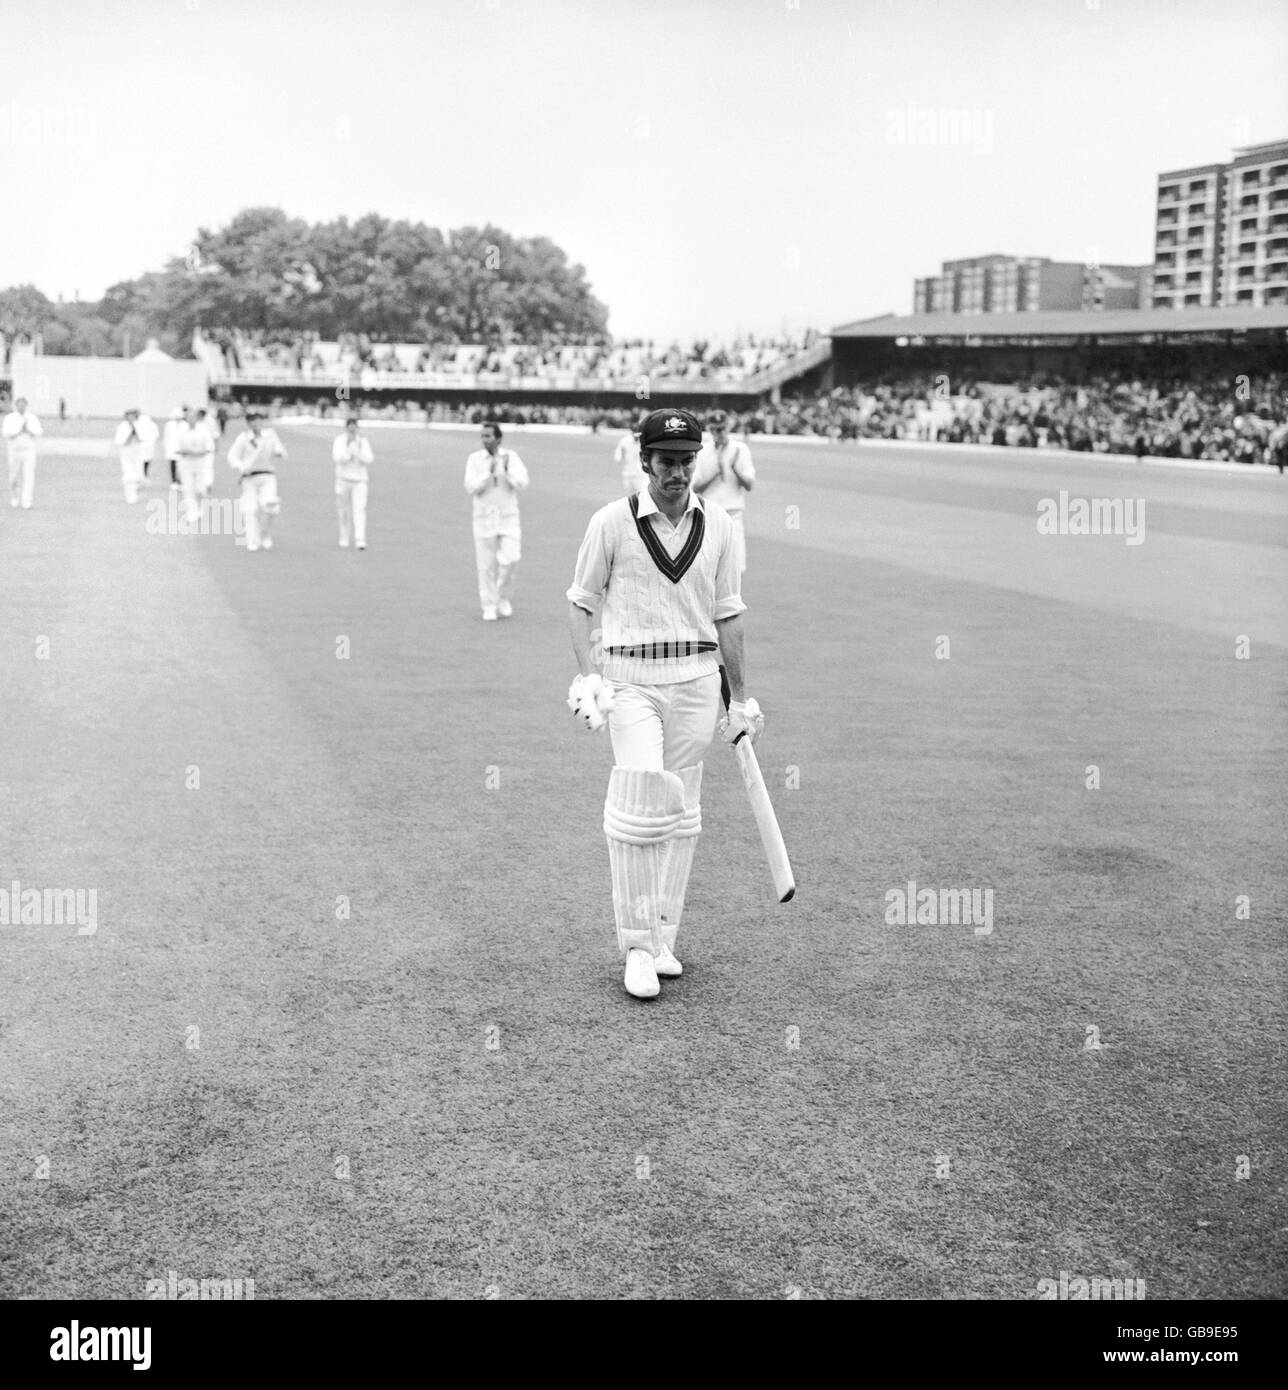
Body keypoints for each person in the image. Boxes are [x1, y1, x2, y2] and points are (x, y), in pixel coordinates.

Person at [565, 406, 763, 1001]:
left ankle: (662, 937)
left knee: (679, 809)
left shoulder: (722, 527)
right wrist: (589, 677)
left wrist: (741, 698)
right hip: (630, 680)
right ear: (644, 460)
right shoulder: (612, 522)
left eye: (685, 462)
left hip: (699, 680)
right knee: (639, 798)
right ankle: (635, 948)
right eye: (665, 462)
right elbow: (581, 601)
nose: (676, 473)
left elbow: (728, 615)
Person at [464, 421, 528, 620]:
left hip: (508, 517)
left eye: (488, 436)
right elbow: (470, 487)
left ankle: (502, 597)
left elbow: (523, 483)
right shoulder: (475, 459)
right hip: (484, 518)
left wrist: (506, 470)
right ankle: (489, 605)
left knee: (511, 558)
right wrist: (488, 473)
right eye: (482, 436)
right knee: (486, 565)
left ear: (498, 438)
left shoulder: (511, 457)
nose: (485, 440)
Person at [691, 410, 756, 576]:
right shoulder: (702, 451)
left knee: (735, 568)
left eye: (721, 428)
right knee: (707, 569)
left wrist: (733, 469)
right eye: (714, 429)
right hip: (709, 515)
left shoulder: (740, 450)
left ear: (728, 427)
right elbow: (695, 488)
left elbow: (749, 485)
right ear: (709, 429)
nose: (718, 433)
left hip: (733, 514)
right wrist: (716, 473)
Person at [227, 413, 286, 551]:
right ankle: (252, 540)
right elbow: (232, 457)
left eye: (259, 421)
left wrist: (279, 452)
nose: (257, 424)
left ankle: (264, 534)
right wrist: (241, 466)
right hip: (249, 478)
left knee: (270, 506)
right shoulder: (244, 438)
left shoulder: (270, 435)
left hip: (267, 475)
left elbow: (280, 451)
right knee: (249, 509)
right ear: (249, 423)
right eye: (253, 422)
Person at [332, 415, 373, 549]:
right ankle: (344, 537)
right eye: (350, 428)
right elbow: (337, 458)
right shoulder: (340, 441)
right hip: (343, 480)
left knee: (359, 510)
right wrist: (349, 452)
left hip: (359, 481)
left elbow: (369, 459)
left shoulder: (363, 442)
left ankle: (360, 539)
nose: (352, 431)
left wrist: (358, 453)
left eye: (354, 428)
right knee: (343, 511)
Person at [173, 406, 215, 524]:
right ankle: (191, 513)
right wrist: (186, 452)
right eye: (189, 417)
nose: (191, 419)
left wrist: (199, 452)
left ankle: (201, 508)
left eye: (193, 417)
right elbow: (176, 449)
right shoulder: (181, 432)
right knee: (188, 488)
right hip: (186, 463)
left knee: (200, 488)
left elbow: (210, 448)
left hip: (200, 463)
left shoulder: (203, 431)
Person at [2, 396, 43, 509]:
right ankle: (15, 497)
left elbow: (39, 432)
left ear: (26, 405)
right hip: (14, 450)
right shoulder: (10, 418)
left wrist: (28, 430)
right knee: (14, 475)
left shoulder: (32, 418)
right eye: (19, 404)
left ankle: (26, 501)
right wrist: (19, 430)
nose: (21, 406)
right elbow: (6, 433)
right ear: (16, 405)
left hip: (28, 450)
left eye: (23, 404)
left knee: (28, 476)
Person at [113, 408, 158, 504]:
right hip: (126, 454)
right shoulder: (122, 427)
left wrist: (135, 429)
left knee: (140, 477)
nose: (131, 418)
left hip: (138, 454)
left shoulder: (140, 425)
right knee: (129, 476)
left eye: (133, 416)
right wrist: (130, 433)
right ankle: (130, 497)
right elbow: (120, 441)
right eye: (129, 416)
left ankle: (135, 491)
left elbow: (143, 439)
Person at [614, 413, 648, 495]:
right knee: (630, 498)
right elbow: (618, 452)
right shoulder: (625, 441)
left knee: (643, 496)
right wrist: (618, 458)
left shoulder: (644, 442)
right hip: (628, 474)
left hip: (641, 474)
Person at [195, 408, 218, 497]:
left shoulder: (210, 422)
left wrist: (216, 447)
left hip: (208, 448)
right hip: (198, 449)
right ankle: (200, 485)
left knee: (208, 466)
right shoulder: (196, 423)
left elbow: (216, 435)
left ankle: (207, 484)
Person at [163, 407, 184, 490]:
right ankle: (173, 481)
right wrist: (166, 447)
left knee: (181, 466)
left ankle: (181, 482)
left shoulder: (184, 424)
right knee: (173, 465)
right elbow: (166, 437)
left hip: (181, 448)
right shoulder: (169, 424)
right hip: (171, 447)